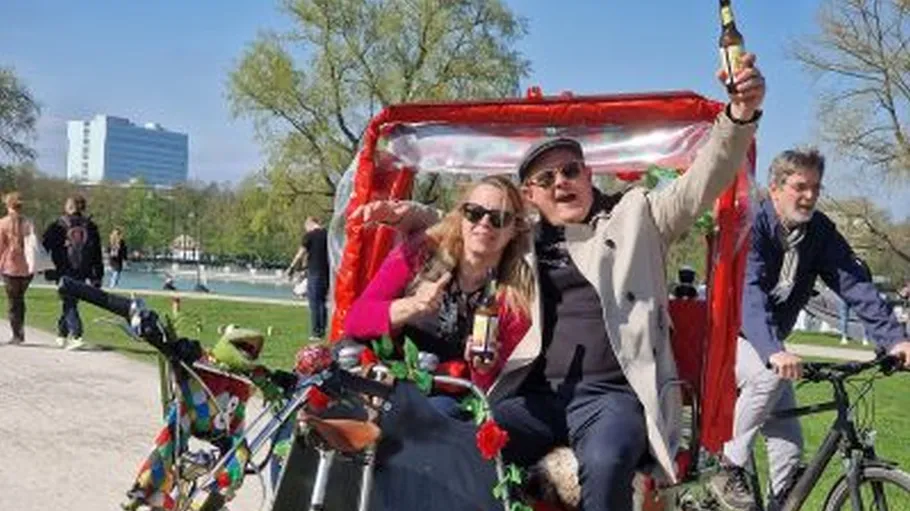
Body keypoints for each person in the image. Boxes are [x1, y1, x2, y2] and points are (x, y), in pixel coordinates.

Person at [351, 53, 766, 510]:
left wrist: (739, 115)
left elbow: (702, 182)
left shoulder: (638, 215)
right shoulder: (520, 235)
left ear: (588, 176)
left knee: (607, 463)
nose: (561, 183)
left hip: (611, 395)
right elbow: (473, 226)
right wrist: (413, 215)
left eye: (571, 171)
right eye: (546, 178)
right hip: (533, 394)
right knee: (468, 447)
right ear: (530, 195)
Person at [708, 147, 910, 510]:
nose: (810, 196)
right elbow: (749, 296)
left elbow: (854, 284)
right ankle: (728, 466)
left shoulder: (819, 232)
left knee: (789, 451)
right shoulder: (751, 226)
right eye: (800, 187)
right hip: (730, 338)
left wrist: (895, 339)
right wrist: (773, 350)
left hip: (770, 344)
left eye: (816, 188)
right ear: (775, 189)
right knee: (768, 377)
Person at [344, 175, 533, 416]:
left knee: (438, 412)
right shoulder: (419, 254)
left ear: (514, 229)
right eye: (474, 213)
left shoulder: (515, 297)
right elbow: (355, 321)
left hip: (449, 397)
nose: (484, 223)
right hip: (386, 376)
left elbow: (494, 391)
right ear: (461, 216)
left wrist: (482, 369)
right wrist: (412, 305)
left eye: (499, 218)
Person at [42, 194, 103, 351]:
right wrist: (97, 276)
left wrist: (44, 268)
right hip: (83, 270)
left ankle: (76, 335)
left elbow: (44, 247)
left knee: (69, 300)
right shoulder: (90, 226)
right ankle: (62, 334)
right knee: (71, 300)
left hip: (62, 268)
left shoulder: (58, 225)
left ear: (69, 207)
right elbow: (97, 254)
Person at [0, 192, 35, 345]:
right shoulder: (29, 223)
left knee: (13, 301)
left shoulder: (3, 223)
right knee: (20, 299)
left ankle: (17, 334)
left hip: (10, 266)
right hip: (27, 266)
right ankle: (20, 330)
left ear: (8, 205)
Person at [287, 217, 330, 341]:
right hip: (326, 273)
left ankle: (316, 333)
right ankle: (322, 330)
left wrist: (291, 267)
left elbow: (300, 254)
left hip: (315, 272)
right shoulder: (328, 235)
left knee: (314, 303)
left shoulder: (309, 236)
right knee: (322, 302)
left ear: (309, 224)